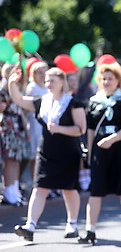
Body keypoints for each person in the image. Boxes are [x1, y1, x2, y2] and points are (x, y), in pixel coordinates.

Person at [9, 67, 86, 241]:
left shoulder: (73, 102)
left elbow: (80, 129)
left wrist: (59, 129)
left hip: (67, 152)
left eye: (52, 80)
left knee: (69, 190)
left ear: (62, 82)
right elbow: (19, 99)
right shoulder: (41, 101)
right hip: (46, 152)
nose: (48, 84)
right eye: (46, 81)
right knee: (39, 188)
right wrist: (12, 82)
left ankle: (72, 224)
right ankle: (30, 226)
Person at [78, 62, 121, 245]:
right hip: (99, 151)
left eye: (110, 78)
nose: (106, 81)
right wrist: (90, 153)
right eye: (103, 78)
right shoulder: (93, 101)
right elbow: (90, 129)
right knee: (95, 191)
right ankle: (90, 230)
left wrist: (112, 139)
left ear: (118, 80)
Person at [0, 63, 30, 206]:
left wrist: (26, 128)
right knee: (10, 159)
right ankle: (8, 191)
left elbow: (21, 111)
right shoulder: (4, 89)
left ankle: (14, 189)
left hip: (17, 125)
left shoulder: (17, 89)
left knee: (16, 159)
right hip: (7, 125)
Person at [24, 61, 49, 179]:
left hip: (46, 123)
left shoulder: (47, 87)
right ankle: (35, 181)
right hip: (35, 124)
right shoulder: (32, 88)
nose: (43, 75)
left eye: (45, 72)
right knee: (35, 156)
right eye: (40, 73)